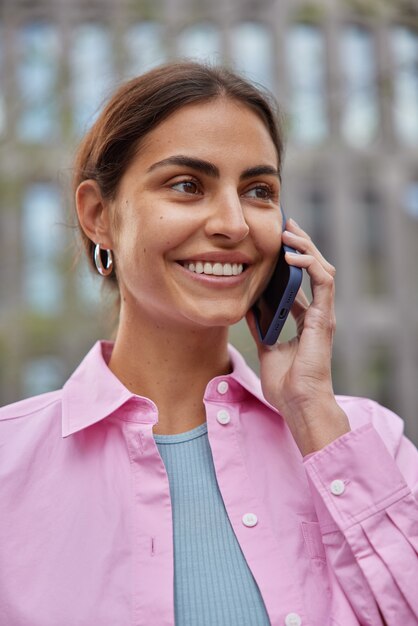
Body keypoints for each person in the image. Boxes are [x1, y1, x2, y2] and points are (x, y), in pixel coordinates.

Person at [0, 61, 417, 626]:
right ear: (98, 215)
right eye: (186, 185)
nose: (234, 223)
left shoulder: (368, 444)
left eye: (258, 191)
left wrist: (312, 411)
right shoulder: (10, 465)